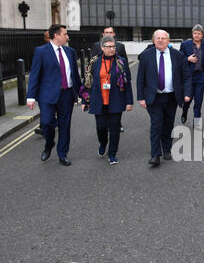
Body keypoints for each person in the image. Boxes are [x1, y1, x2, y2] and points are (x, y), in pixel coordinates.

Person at [26, 24, 81, 166]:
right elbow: (34, 75)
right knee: (46, 123)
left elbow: (75, 75)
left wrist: (82, 94)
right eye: (65, 34)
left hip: (67, 95)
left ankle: (62, 154)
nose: (68, 36)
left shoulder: (70, 51)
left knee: (65, 125)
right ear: (56, 35)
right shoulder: (41, 51)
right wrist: (30, 96)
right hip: (47, 96)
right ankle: (49, 144)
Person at [137, 30, 192, 167]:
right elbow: (140, 78)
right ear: (153, 40)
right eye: (157, 38)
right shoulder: (145, 56)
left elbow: (186, 76)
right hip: (154, 97)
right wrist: (141, 98)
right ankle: (155, 155)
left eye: (163, 38)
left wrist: (187, 93)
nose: (160, 40)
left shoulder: (178, 56)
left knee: (168, 124)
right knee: (156, 124)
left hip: (171, 97)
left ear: (168, 41)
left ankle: (167, 149)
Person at [79, 36, 134, 165]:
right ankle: (103, 143)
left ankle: (112, 154)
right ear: (102, 48)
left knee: (115, 128)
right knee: (101, 127)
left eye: (113, 46)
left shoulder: (121, 62)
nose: (112, 49)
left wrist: (129, 101)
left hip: (116, 99)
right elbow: (87, 82)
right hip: (99, 100)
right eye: (108, 47)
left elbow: (127, 83)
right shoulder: (94, 62)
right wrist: (84, 101)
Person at [92, 26, 128, 133]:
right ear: (103, 34)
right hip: (102, 81)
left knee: (116, 105)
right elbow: (92, 64)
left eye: (110, 32)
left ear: (114, 34)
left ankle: (117, 123)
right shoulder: (97, 46)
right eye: (106, 32)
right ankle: (105, 125)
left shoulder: (120, 46)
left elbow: (124, 61)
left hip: (116, 81)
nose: (108, 34)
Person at [179, 24, 204, 129]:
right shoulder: (185, 45)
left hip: (201, 77)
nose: (197, 35)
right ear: (192, 34)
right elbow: (179, 59)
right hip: (188, 77)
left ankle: (197, 122)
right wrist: (187, 59)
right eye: (195, 33)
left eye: (199, 33)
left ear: (202, 35)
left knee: (198, 100)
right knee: (187, 100)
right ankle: (184, 113)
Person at [34, 30, 51, 136]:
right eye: (47, 37)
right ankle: (43, 126)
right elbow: (36, 72)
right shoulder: (40, 51)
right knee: (45, 110)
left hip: (58, 87)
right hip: (44, 88)